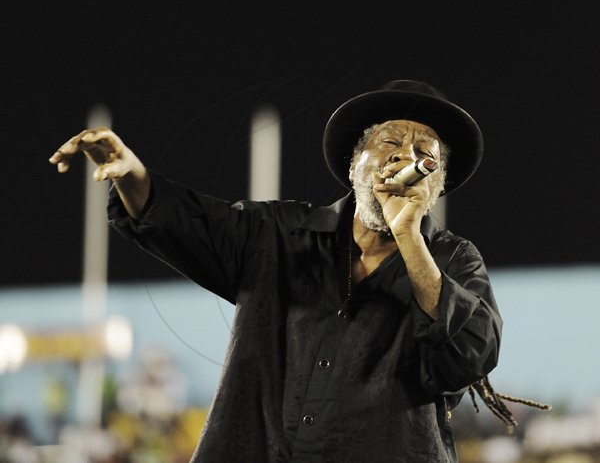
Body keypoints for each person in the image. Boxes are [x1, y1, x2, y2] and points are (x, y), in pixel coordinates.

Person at [49, 80, 503, 462]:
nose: (404, 157)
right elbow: (186, 223)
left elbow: (471, 356)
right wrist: (130, 175)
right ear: (353, 165)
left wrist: (410, 239)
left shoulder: (454, 261)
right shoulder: (278, 234)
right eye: (389, 142)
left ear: (436, 184)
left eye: (425, 154)